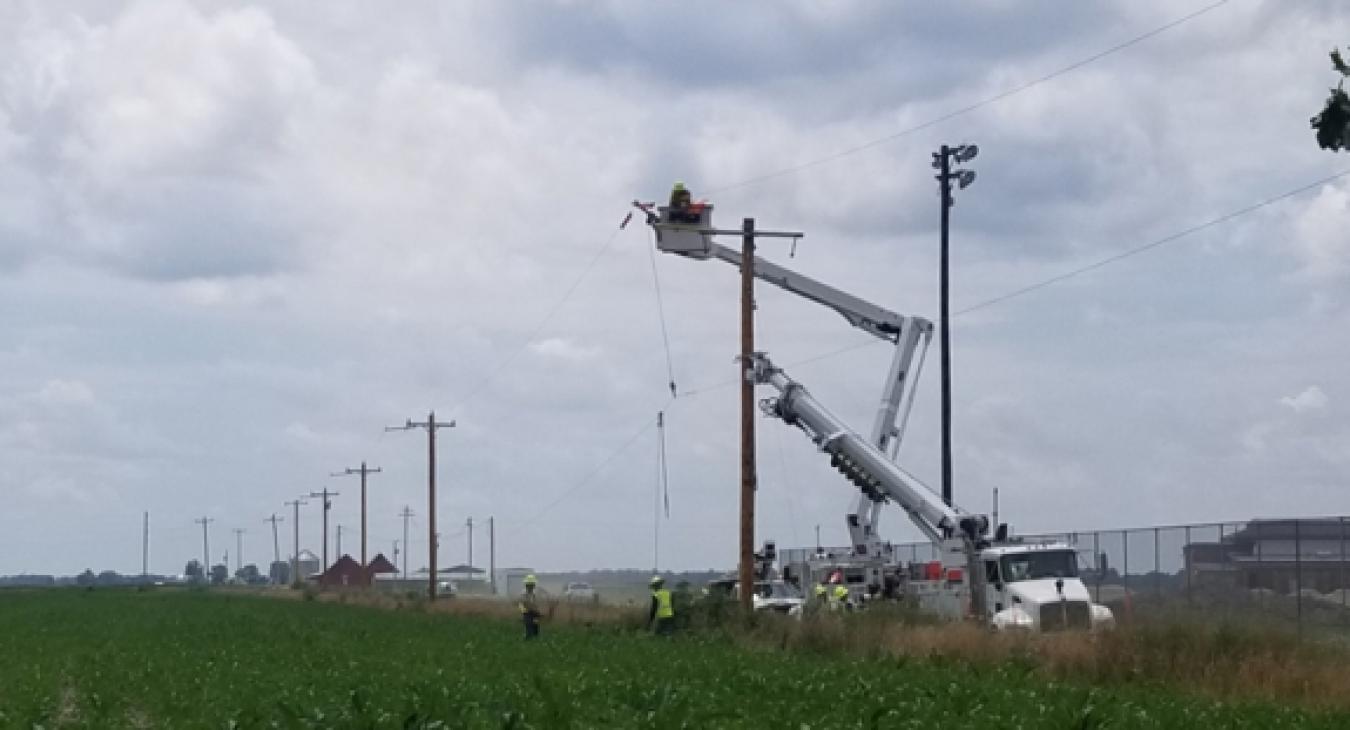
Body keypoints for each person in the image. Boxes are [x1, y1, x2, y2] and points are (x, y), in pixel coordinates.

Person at [518, 574, 541, 640]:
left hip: (534, 612)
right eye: (530, 584)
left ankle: (535, 639)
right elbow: (523, 603)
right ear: (527, 585)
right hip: (526, 612)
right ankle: (527, 639)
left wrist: (537, 613)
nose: (532, 586)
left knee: (536, 627)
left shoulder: (534, 594)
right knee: (529, 626)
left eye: (533, 584)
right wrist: (525, 610)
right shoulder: (523, 593)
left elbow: (535, 603)